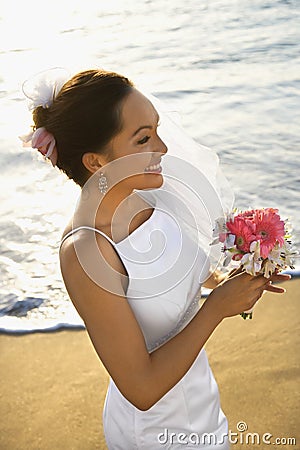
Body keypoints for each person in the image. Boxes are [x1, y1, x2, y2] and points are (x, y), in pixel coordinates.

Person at [21, 68, 290, 449]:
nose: (162, 149)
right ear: (97, 163)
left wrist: (242, 268)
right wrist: (216, 309)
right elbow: (141, 389)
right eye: (144, 139)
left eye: (157, 130)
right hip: (154, 434)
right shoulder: (87, 251)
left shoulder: (148, 195)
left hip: (202, 405)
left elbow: (184, 273)